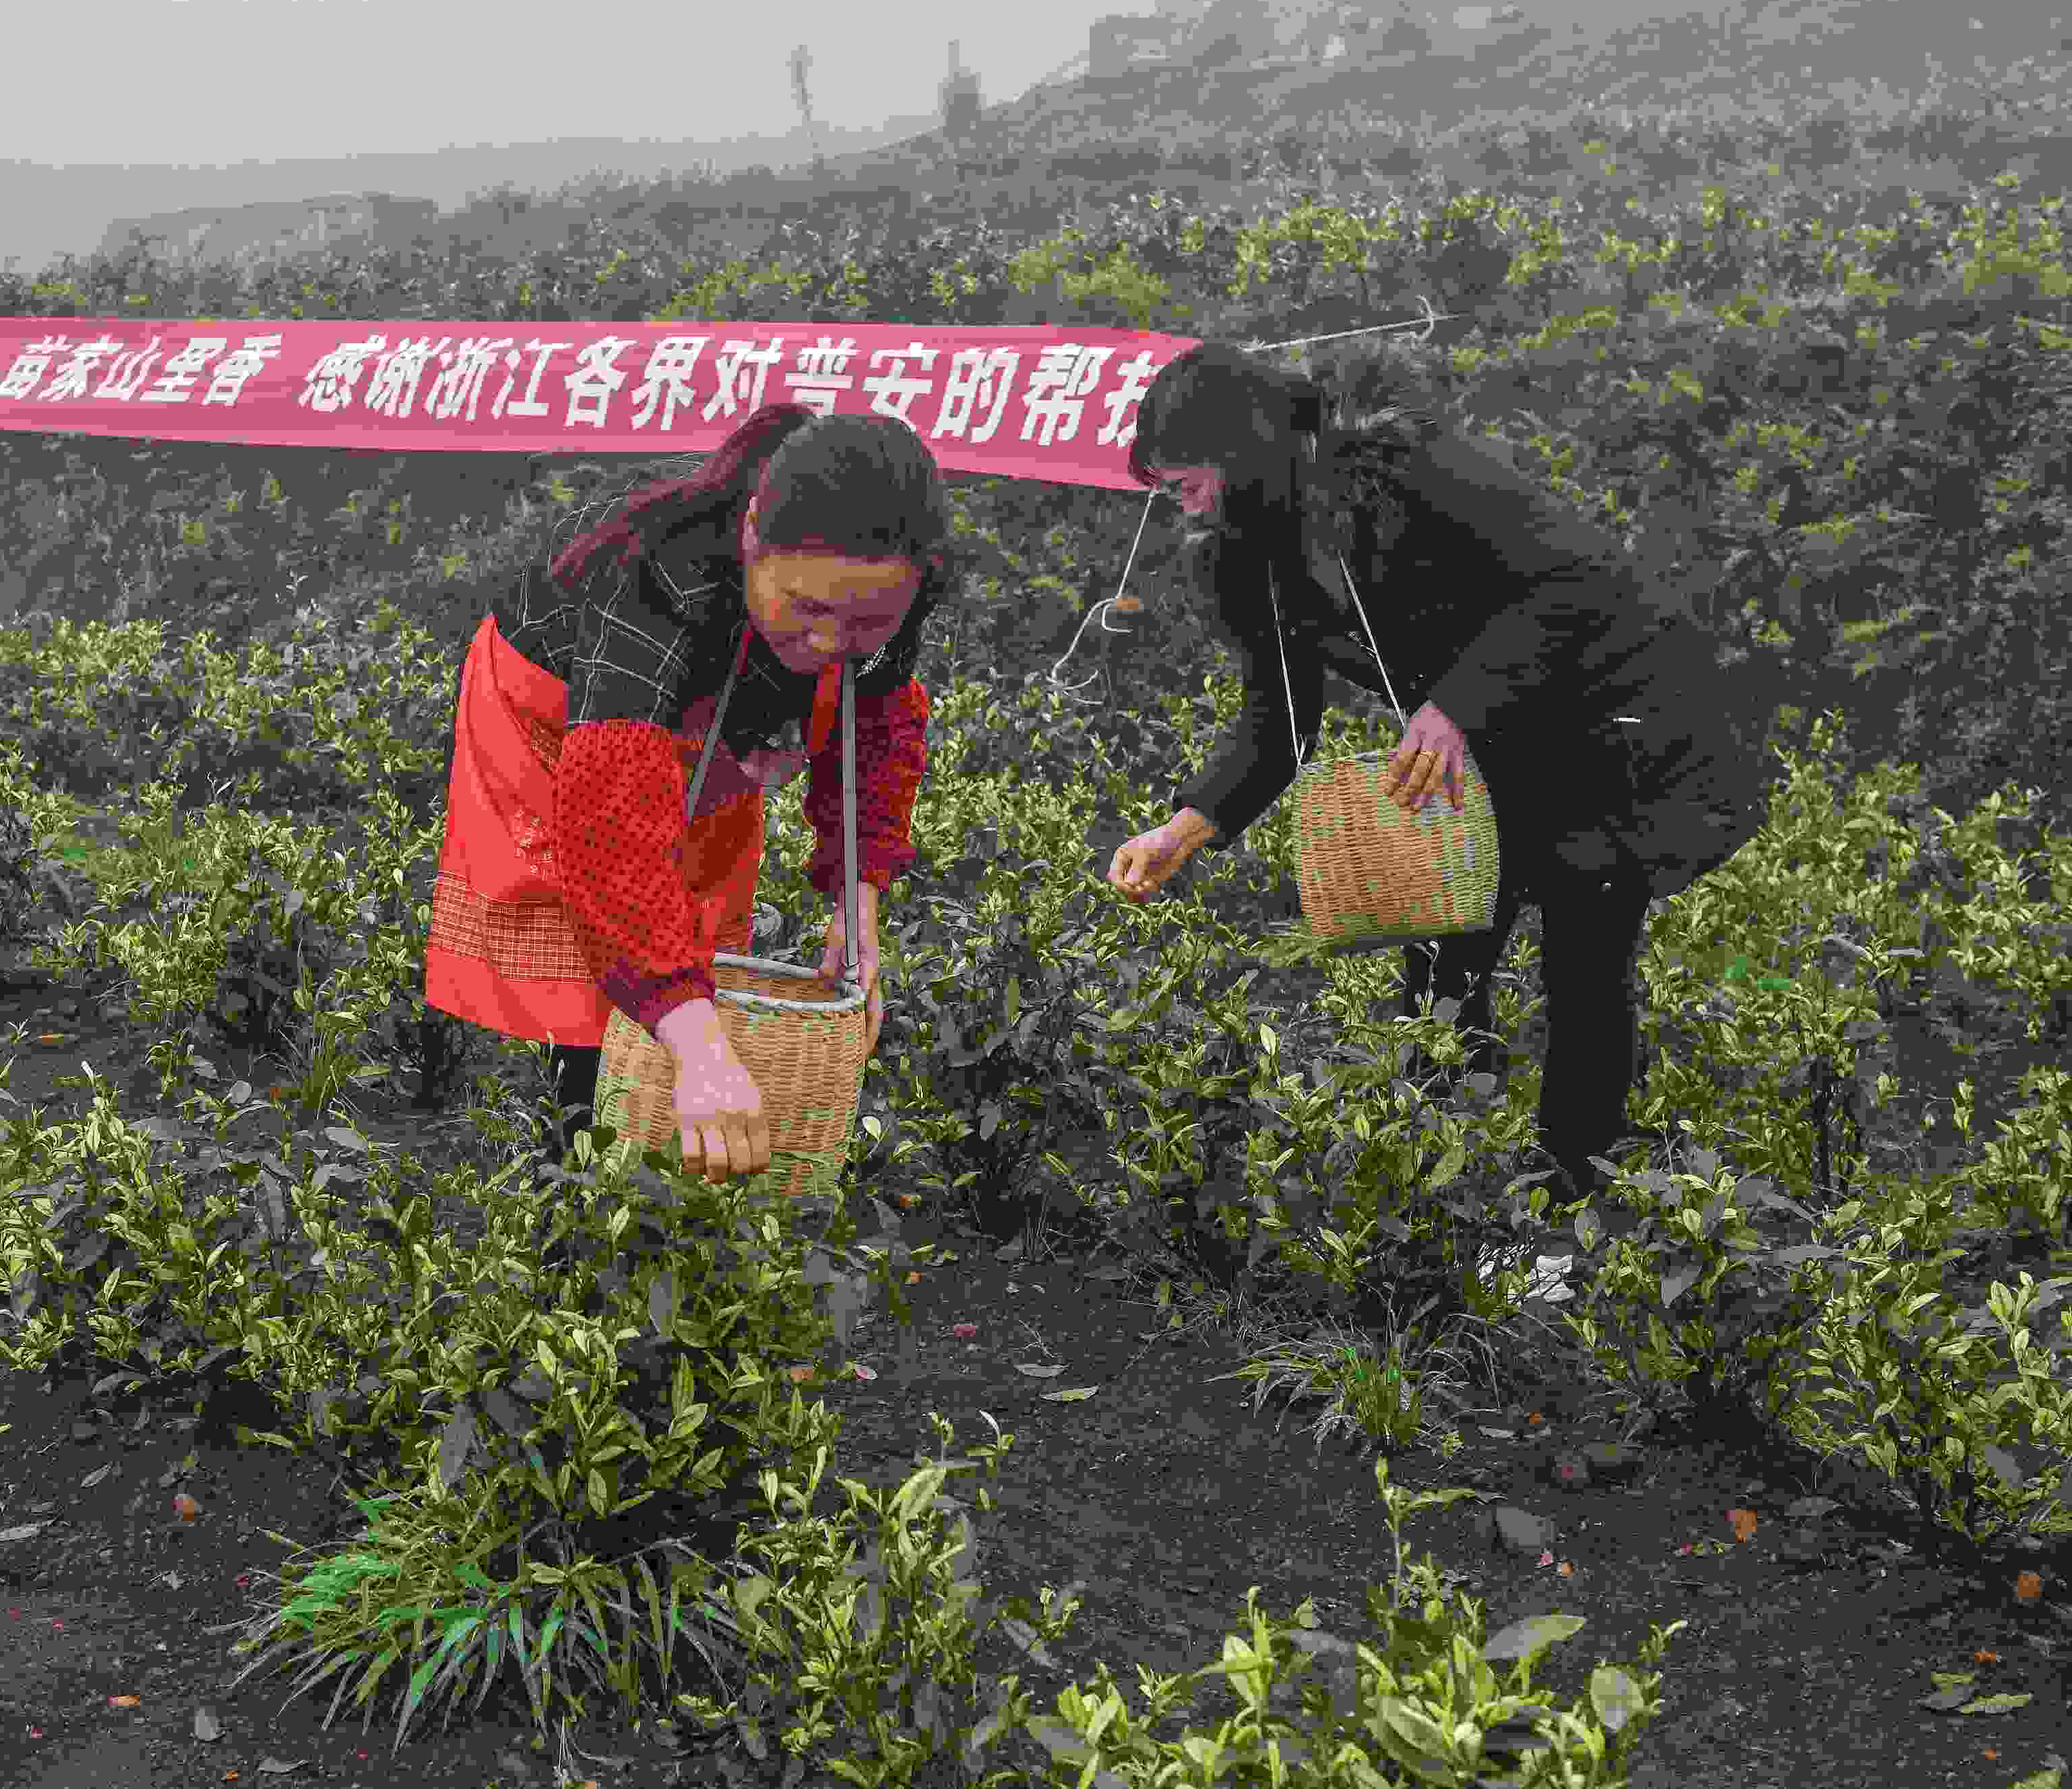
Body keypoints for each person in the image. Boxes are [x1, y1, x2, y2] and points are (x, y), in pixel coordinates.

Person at [1103, 340, 1770, 1204]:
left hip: (1606, 722)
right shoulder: (1251, 556)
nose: (1181, 502)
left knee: (1583, 953)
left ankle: (1577, 1192)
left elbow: (1577, 578)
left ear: (1244, 449)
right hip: (1492, 744)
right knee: (1439, 955)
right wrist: (1183, 829)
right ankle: (1446, 1183)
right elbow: (1281, 722)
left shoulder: (1410, 473)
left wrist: (1453, 703)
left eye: (1185, 479)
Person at [423, 404, 957, 1190]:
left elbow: (872, 727)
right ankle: (574, 1171)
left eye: (866, 624)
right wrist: (700, 1046)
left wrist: (857, 896)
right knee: (585, 950)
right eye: (805, 610)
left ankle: (642, 1136)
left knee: (691, 913)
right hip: (558, 704)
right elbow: (612, 834)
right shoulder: (657, 571)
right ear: (750, 539)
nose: (828, 647)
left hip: (714, 705)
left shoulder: (887, 594)